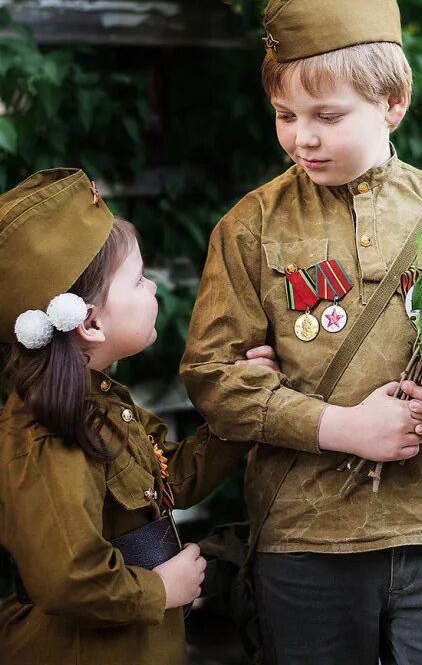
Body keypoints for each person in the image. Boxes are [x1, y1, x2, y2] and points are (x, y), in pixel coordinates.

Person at [180, 0, 422, 665]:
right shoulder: (249, 226)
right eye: (285, 116)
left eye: (327, 116)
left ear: (394, 103)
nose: (303, 137)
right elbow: (212, 375)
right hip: (305, 540)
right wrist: (341, 426)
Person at [0, 168, 279, 664]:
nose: (152, 288)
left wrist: (242, 403)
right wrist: (159, 589)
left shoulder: (101, 406)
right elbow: (68, 578)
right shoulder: (49, 434)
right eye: (137, 279)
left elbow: (173, 478)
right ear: (88, 322)